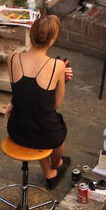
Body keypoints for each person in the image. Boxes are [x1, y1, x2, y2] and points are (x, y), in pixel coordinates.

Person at [6, 14, 73, 186]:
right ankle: (56, 164)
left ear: (31, 34)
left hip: (17, 130)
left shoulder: (12, 58)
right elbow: (55, 104)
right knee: (58, 135)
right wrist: (61, 80)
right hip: (45, 135)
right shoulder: (58, 66)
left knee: (34, 119)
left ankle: (49, 172)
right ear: (51, 41)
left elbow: (25, 93)